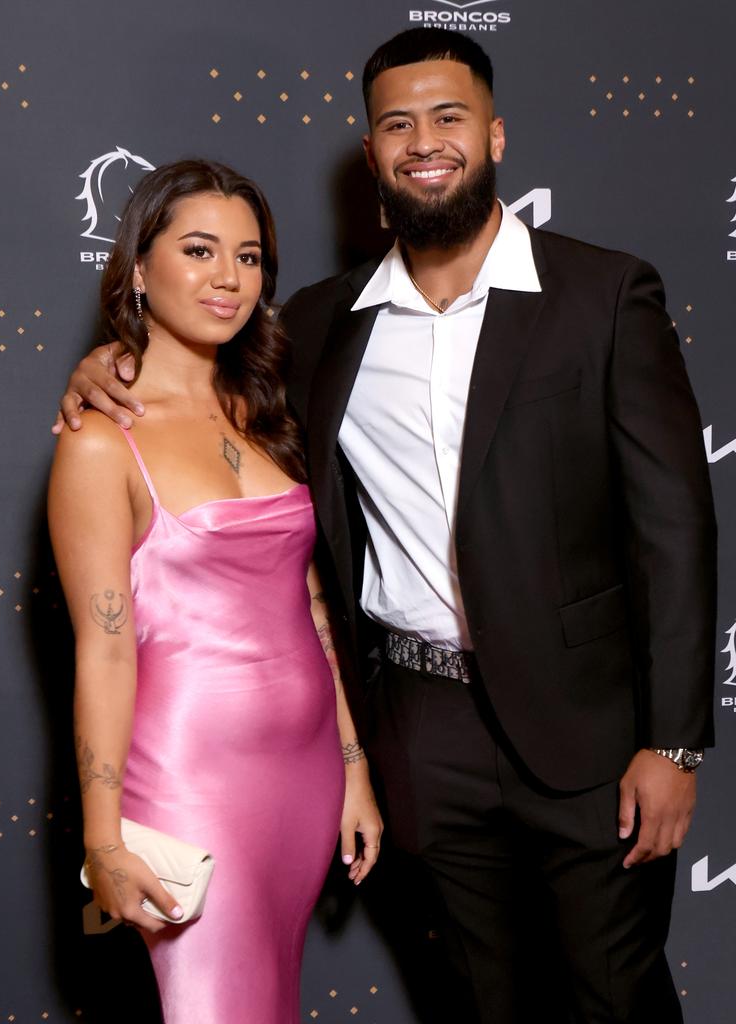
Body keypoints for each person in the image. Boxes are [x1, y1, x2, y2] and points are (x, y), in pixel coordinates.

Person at [55, 30, 716, 1024]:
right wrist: (99, 367)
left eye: (448, 116)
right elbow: (186, 396)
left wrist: (674, 741)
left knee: (615, 996)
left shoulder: (605, 296)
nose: (423, 141)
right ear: (371, 154)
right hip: (417, 730)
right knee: (472, 1001)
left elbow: (676, 529)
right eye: (396, 123)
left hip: (587, 733)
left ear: (494, 135)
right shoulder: (321, 327)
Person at [48, 159, 382, 1024]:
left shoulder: (266, 405)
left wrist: (353, 772)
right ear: (136, 268)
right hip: (190, 777)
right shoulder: (100, 441)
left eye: (250, 256)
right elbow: (104, 648)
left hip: (302, 777)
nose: (228, 278)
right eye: (199, 251)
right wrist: (102, 836)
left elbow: (311, 609)